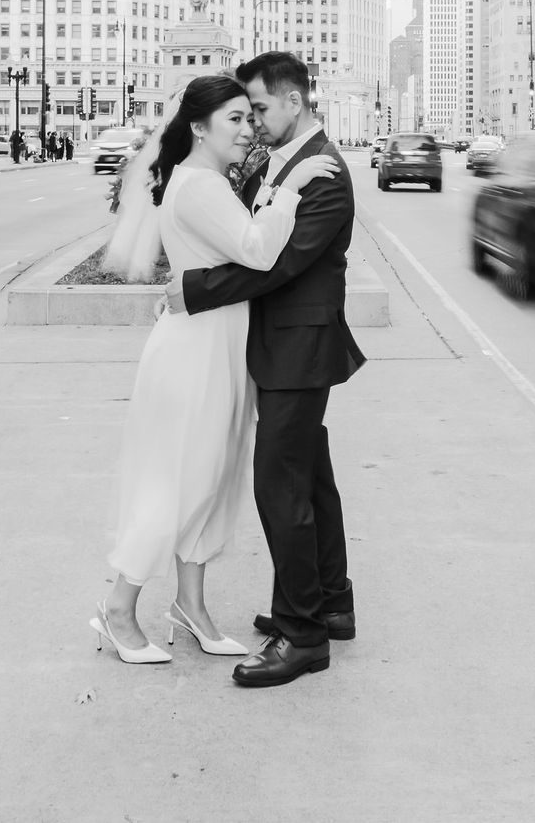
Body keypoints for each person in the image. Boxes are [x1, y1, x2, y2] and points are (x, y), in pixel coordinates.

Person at [94, 74, 341, 666]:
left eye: (247, 116)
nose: (247, 128)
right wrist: (293, 187)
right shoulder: (200, 185)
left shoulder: (206, 180)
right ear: (198, 128)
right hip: (194, 355)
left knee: (205, 482)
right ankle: (119, 610)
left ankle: (191, 607)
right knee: (175, 484)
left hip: (218, 347)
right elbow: (258, 250)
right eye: (233, 118)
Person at [166, 52, 362, 688]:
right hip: (283, 347)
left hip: (297, 351)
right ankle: (330, 602)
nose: (253, 120)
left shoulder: (323, 173)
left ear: (294, 102)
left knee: (280, 486)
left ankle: (301, 633)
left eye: (260, 108)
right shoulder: (288, 163)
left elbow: (274, 266)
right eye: (243, 112)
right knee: (311, 480)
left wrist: (193, 290)